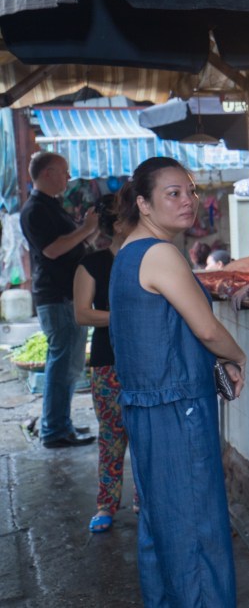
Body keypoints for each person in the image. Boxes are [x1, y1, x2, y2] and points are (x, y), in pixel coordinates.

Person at [109, 157, 246, 606]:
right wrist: (236, 355)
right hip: (177, 412)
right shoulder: (159, 253)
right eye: (173, 193)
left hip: (149, 410)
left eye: (190, 191)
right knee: (196, 534)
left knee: (164, 531)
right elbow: (206, 328)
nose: (188, 201)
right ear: (144, 204)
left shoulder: (128, 252)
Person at [18, 152, 98, 449]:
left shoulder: (51, 206)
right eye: (64, 171)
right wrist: (86, 228)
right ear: (48, 173)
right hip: (56, 295)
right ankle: (54, 430)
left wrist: (91, 228)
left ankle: (60, 424)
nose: (68, 177)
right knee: (63, 365)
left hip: (67, 293)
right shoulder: (35, 209)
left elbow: (73, 246)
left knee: (70, 366)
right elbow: (52, 250)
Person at [74, 191, 139, 533]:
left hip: (146, 360)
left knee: (145, 434)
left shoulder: (148, 258)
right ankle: (106, 504)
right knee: (113, 435)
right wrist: (122, 317)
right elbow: (82, 314)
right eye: (130, 216)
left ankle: (145, 499)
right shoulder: (92, 264)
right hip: (107, 362)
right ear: (116, 226)